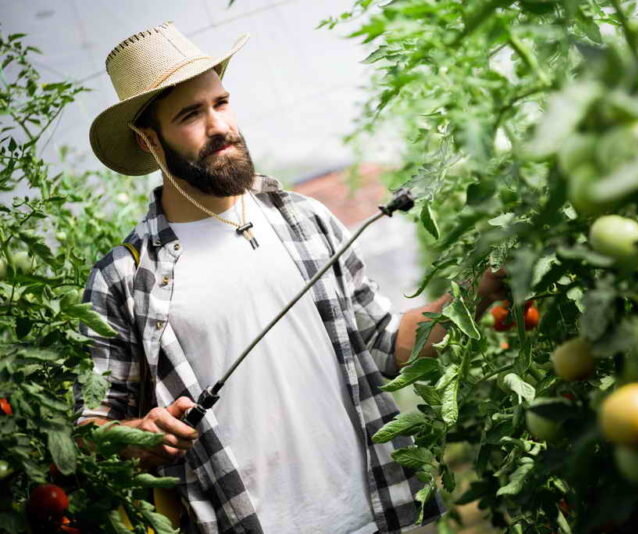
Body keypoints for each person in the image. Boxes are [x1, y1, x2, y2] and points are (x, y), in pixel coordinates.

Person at [76, 22, 507, 534]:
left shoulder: (304, 218)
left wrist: (479, 291)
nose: (219, 126)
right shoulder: (125, 277)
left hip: (373, 515)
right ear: (149, 140)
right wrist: (139, 433)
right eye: (191, 114)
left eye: (221, 102)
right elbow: (90, 435)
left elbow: (385, 345)